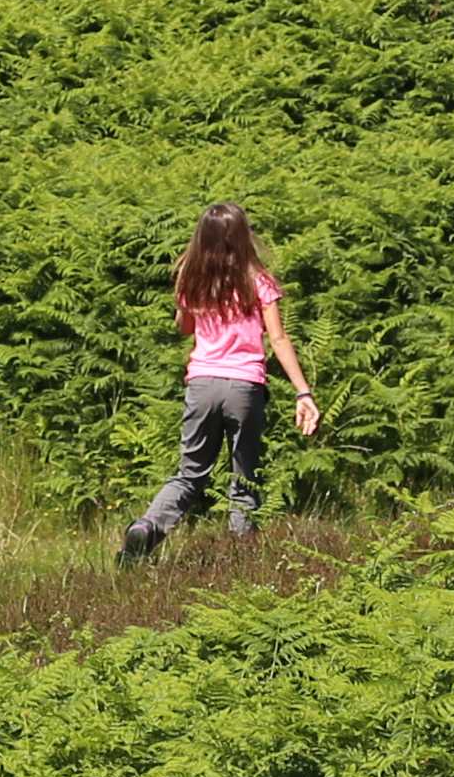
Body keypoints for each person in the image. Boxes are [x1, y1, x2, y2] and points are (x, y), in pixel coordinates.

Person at [121, 206, 318, 561]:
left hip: (202, 384)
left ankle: (147, 527)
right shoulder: (260, 281)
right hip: (244, 386)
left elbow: (184, 328)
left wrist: (187, 298)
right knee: (244, 478)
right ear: (242, 236)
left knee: (189, 475)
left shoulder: (190, 277)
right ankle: (242, 563)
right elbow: (278, 338)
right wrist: (303, 392)